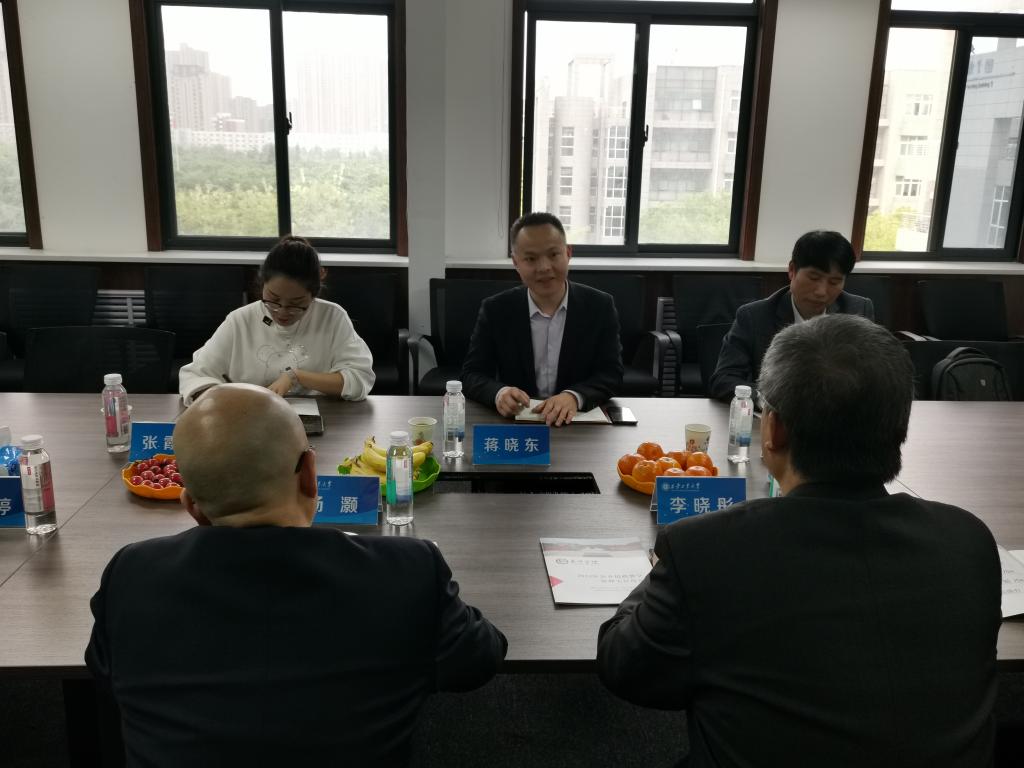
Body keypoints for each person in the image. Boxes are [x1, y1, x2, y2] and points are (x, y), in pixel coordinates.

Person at [597, 314, 1000, 767]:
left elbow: (624, 667)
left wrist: (661, 570)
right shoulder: (968, 541)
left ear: (773, 429)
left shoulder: (706, 552)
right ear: (898, 427)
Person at [85, 384, 507, 767]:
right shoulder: (408, 572)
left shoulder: (131, 576)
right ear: (310, 474)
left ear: (192, 506)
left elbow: (106, 675)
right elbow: (478, 659)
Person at [461, 212, 624, 426]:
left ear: (568, 253)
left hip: (576, 424)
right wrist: (499, 393)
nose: (544, 267)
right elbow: (472, 374)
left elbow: (611, 374)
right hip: (518, 424)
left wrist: (574, 396)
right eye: (531, 259)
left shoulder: (599, 306)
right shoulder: (496, 309)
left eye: (553, 254)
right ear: (516, 263)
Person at [178, 235, 375, 405]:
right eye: (273, 299)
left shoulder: (332, 317)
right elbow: (195, 375)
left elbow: (359, 379)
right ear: (262, 284)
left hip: (317, 421)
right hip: (247, 420)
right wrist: (228, 402)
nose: (282, 312)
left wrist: (296, 376)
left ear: (313, 295)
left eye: (296, 304)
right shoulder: (241, 320)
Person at [708, 229, 874, 402]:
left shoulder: (858, 311)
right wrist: (769, 401)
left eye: (834, 282)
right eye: (814, 278)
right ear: (792, 270)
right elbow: (724, 379)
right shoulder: (754, 316)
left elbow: (873, 378)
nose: (821, 291)